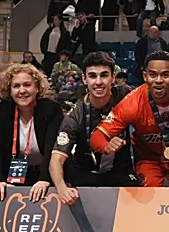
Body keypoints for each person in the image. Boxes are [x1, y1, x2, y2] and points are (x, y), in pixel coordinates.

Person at [90, 51, 169, 187]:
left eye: (165, 75)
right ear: (145, 76)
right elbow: (97, 136)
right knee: (149, 191)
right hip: (148, 159)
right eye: (153, 75)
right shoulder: (132, 104)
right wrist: (106, 147)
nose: (159, 80)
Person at [50, 53, 136, 202]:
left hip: (120, 171)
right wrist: (61, 188)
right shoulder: (76, 115)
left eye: (104, 75)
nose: (98, 82)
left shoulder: (126, 96)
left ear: (113, 77)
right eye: (92, 76)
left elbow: (155, 89)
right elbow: (56, 159)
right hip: (85, 172)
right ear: (84, 79)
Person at [0, 63, 63, 202]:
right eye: (16, 86)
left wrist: (45, 179)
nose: (22, 90)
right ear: (10, 90)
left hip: (45, 174)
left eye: (27, 85)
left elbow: (53, 148)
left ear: (37, 87)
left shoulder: (51, 109)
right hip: (12, 174)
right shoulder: (3, 110)